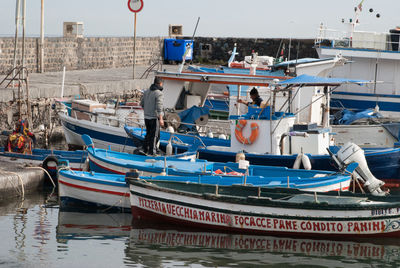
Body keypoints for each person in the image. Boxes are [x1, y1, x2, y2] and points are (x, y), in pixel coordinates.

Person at [140, 76, 164, 155]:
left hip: (146, 117)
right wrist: (161, 119)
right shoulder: (159, 93)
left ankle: (144, 149)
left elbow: (142, 104)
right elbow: (159, 107)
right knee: (154, 135)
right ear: (160, 83)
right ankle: (152, 152)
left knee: (148, 134)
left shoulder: (146, 92)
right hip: (154, 118)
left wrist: (147, 111)